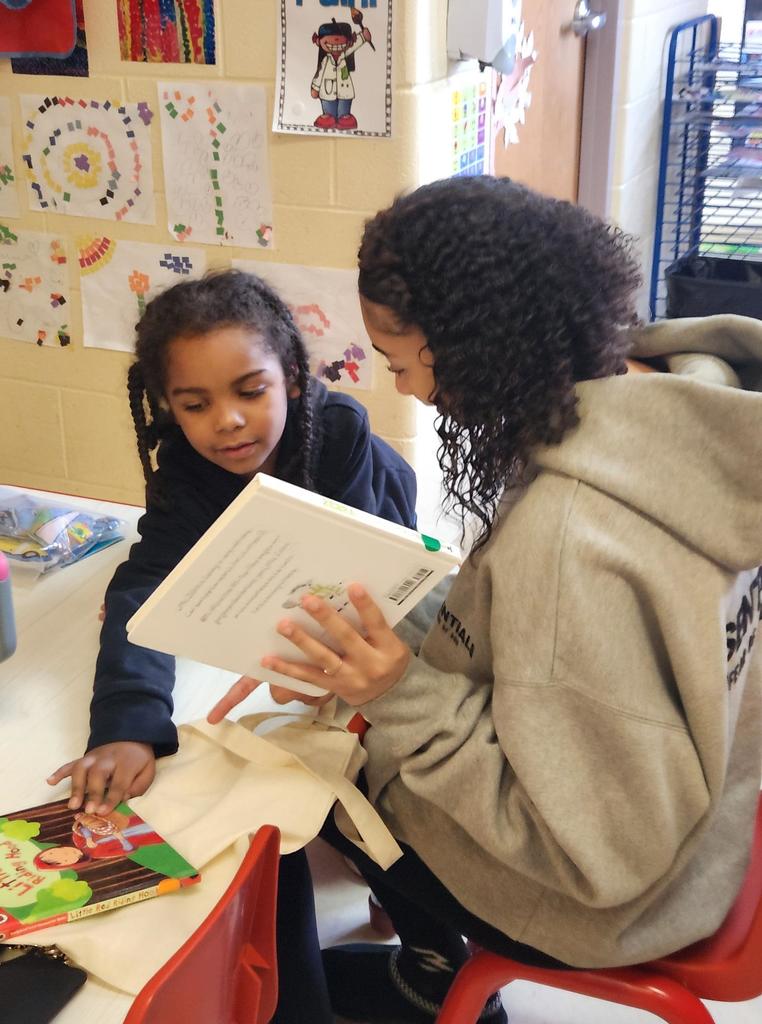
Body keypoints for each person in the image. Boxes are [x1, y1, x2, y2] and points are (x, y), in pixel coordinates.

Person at [209, 176, 762, 1024]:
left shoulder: (570, 538)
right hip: (712, 824)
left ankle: (412, 976)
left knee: (311, 766)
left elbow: (595, 850)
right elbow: (558, 662)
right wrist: (404, 628)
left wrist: (394, 695)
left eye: (400, 362)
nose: (406, 391)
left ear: (475, 346)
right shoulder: (684, 399)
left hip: (614, 901)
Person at [44, 268, 417, 1024]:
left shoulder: (338, 436)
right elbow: (141, 590)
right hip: (286, 636)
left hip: (388, 626)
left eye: (251, 391)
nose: (228, 423)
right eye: (195, 404)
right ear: (166, 408)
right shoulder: (185, 473)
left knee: (380, 774)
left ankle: (432, 953)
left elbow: (374, 591)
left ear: (293, 380)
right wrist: (126, 725)